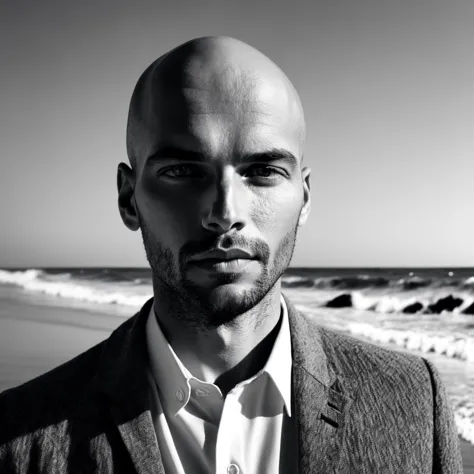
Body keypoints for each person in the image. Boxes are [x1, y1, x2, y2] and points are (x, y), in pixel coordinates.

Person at [0, 36, 462, 474]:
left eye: (262, 170)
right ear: (128, 198)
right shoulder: (17, 438)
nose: (224, 213)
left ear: (304, 198)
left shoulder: (415, 402)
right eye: (182, 170)